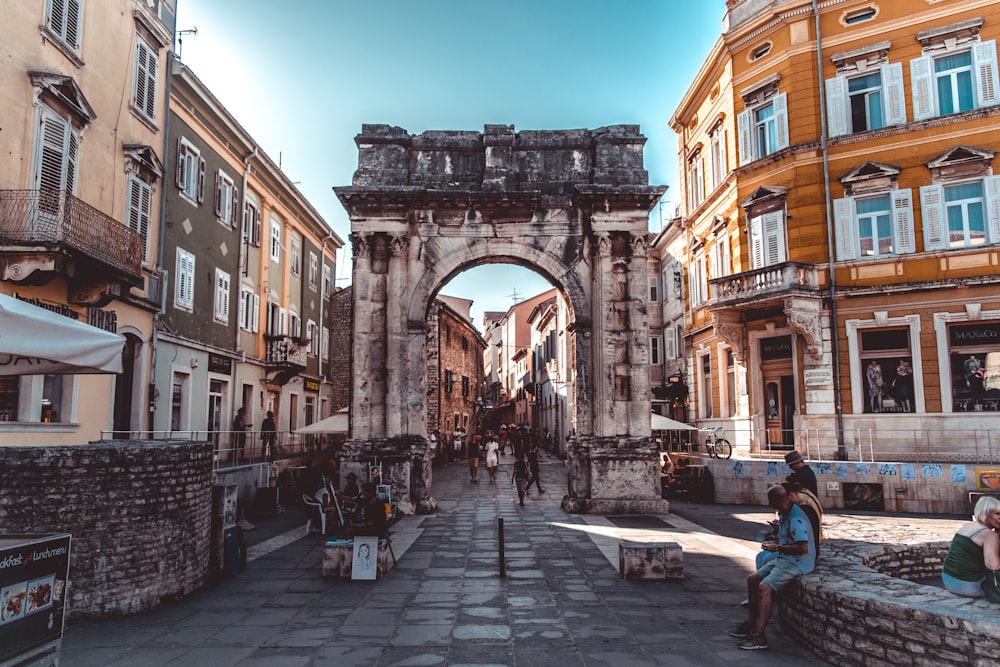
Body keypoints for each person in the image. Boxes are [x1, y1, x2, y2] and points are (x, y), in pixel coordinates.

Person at [730, 484, 815, 650]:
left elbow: (803, 548)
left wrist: (776, 548)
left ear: (777, 500)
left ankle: (759, 635)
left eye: (771, 500)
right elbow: (789, 541)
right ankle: (751, 623)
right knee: (753, 579)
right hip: (786, 557)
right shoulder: (784, 513)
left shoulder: (796, 518)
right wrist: (776, 543)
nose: (769, 503)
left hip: (797, 562)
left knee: (765, 587)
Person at [941, 495, 1000, 600]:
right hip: (967, 585)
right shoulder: (989, 535)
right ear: (985, 513)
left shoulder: (968, 527)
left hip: (949, 580)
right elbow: (993, 566)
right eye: (997, 514)